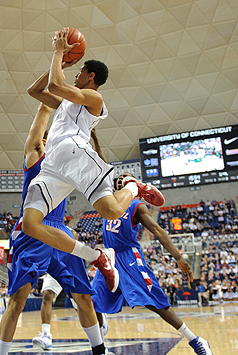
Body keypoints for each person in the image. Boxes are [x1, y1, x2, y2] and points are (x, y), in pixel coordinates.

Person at [0, 103, 136, 355]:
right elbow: (42, 116)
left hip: (60, 230)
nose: (49, 142)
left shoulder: (65, 162)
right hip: (34, 230)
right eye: (46, 140)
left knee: (83, 296)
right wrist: (51, 96)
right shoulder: (35, 156)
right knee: (17, 300)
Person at [23, 27, 165, 292]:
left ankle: (133, 186)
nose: (75, 74)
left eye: (79, 71)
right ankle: (96, 256)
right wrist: (61, 62)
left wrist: (57, 53)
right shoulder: (66, 102)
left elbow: (56, 85)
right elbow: (35, 90)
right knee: (30, 224)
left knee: (111, 210)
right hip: (53, 165)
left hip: (75, 153)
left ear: (91, 76)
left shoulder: (94, 98)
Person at [90, 173, 214, 355]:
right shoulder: (108, 202)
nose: (121, 178)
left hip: (130, 257)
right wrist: (94, 140)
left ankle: (196, 340)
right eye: (119, 176)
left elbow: (156, 230)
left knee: (155, 303)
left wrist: (179, 257)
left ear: (134, 185)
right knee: (92, 301)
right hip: (110, 257)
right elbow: (102, 168)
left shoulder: (136, 205)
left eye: (126, 176)